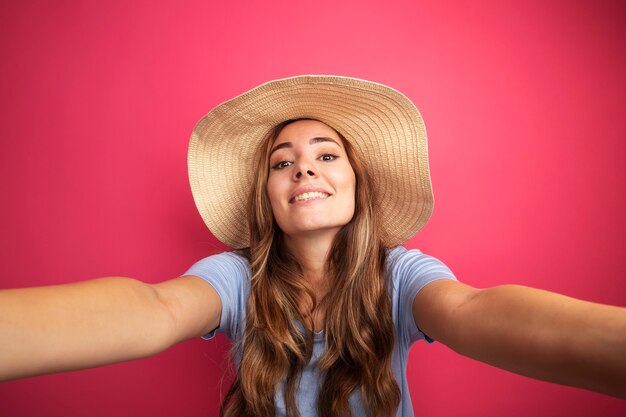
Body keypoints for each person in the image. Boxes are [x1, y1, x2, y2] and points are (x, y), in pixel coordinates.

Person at [1, 75, 625, 417]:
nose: (304, 170)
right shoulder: (234, 278)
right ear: (268, 195)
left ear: (356, 185)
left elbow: (472, 312)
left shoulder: (402, 275)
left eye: (327, 156)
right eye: (283, 162)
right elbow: (154, 309)